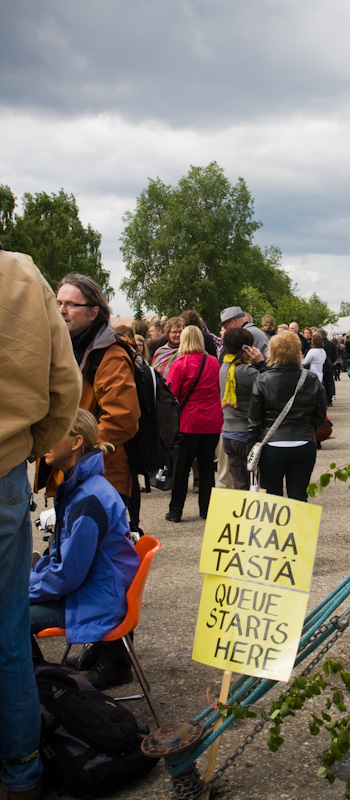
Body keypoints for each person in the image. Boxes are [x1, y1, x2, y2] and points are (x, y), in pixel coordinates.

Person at [0, 246, 81, 800]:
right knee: (7, 633)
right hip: (4, 465)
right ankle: (22, 771)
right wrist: (28, 447)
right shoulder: (18, 275)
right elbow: (64, 389)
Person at [54, 273, 141, 688]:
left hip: (105, 477)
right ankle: (101, 643)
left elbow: (122, 419)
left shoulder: (107, 353)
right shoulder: (73, 347)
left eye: (71, 304)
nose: (62, 310)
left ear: (94, 311)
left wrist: (79, 450)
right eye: (59, 302)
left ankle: (114, 657)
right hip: (79, 474)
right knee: (84, 564)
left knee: (108, 570)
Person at [30, 410, 139, 679]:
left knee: (8, 613)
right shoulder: (85, 487)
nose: (43, 442)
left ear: (76, 442)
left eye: (52, 434)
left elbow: (68, 575)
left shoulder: (88, 497)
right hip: (97, 591)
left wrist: (23, 589)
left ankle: (39, 683)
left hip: (95, 598)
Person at [248, 331, 327, 502]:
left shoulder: (262, 380)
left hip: (272, 443)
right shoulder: (311, 379)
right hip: (303, 441)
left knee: (272, 498)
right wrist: (308, 429)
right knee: (299, 495)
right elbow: (320, 415)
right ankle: (298, 529)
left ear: (273, 352)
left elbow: (255, 420)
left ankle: (275, 530)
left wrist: (251, 446)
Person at [165, 326, 223, 522]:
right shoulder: (214, 362)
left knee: (182, 469)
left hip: (189, 422)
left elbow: (171, 396)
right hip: (212, 421)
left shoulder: (180, 363)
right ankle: (207, 509)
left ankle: (176, 510)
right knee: (207, 466)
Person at [219, 328, 267, 489]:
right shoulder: (245, 371)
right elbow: (269, 385)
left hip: (228, 433)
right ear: (246, 348)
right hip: (245, 433)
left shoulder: (224, 367)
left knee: (240, 484)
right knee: (255, 483)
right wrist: (261, 362)